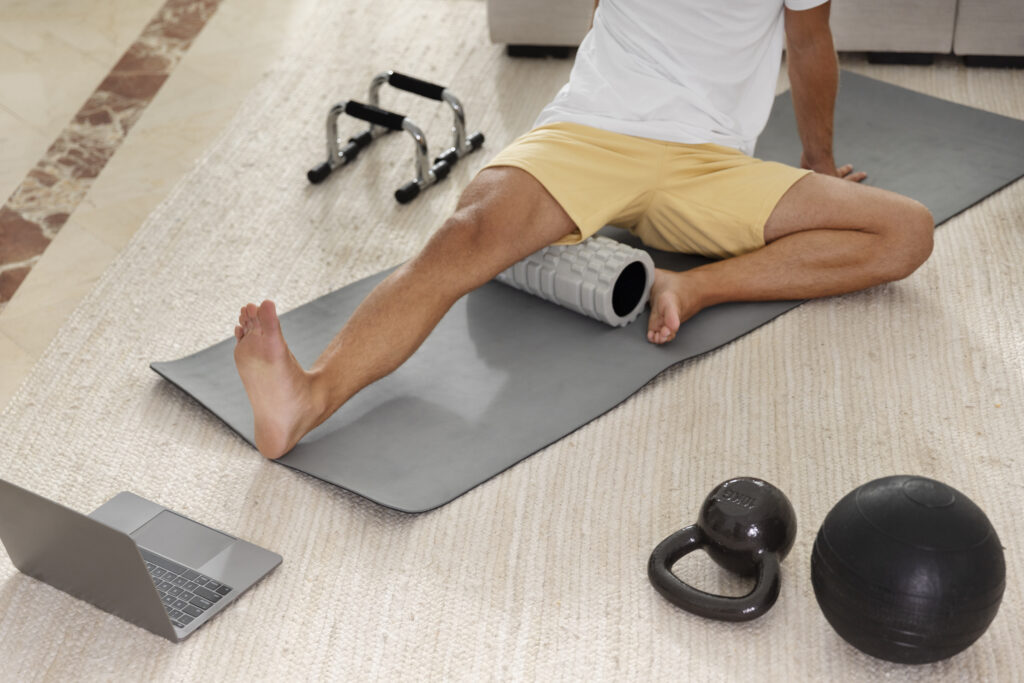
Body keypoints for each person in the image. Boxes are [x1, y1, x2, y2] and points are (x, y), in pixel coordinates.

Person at [232, 0, 934, 459]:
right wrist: (583, 112)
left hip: (710, 162)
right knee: (466, 233)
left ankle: (695, 288)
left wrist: (818, 165)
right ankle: (307, 397)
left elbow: (808, 44)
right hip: (595, 134)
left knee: (905, 232)